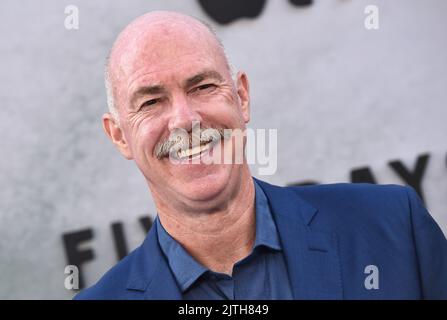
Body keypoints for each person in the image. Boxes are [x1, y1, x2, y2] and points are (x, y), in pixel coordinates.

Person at [75, 11, 447, 300]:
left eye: (202, 86)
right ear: (119, 135)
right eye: (152, 101)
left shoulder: (393, 227)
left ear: (242, 97)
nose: (184, 120)